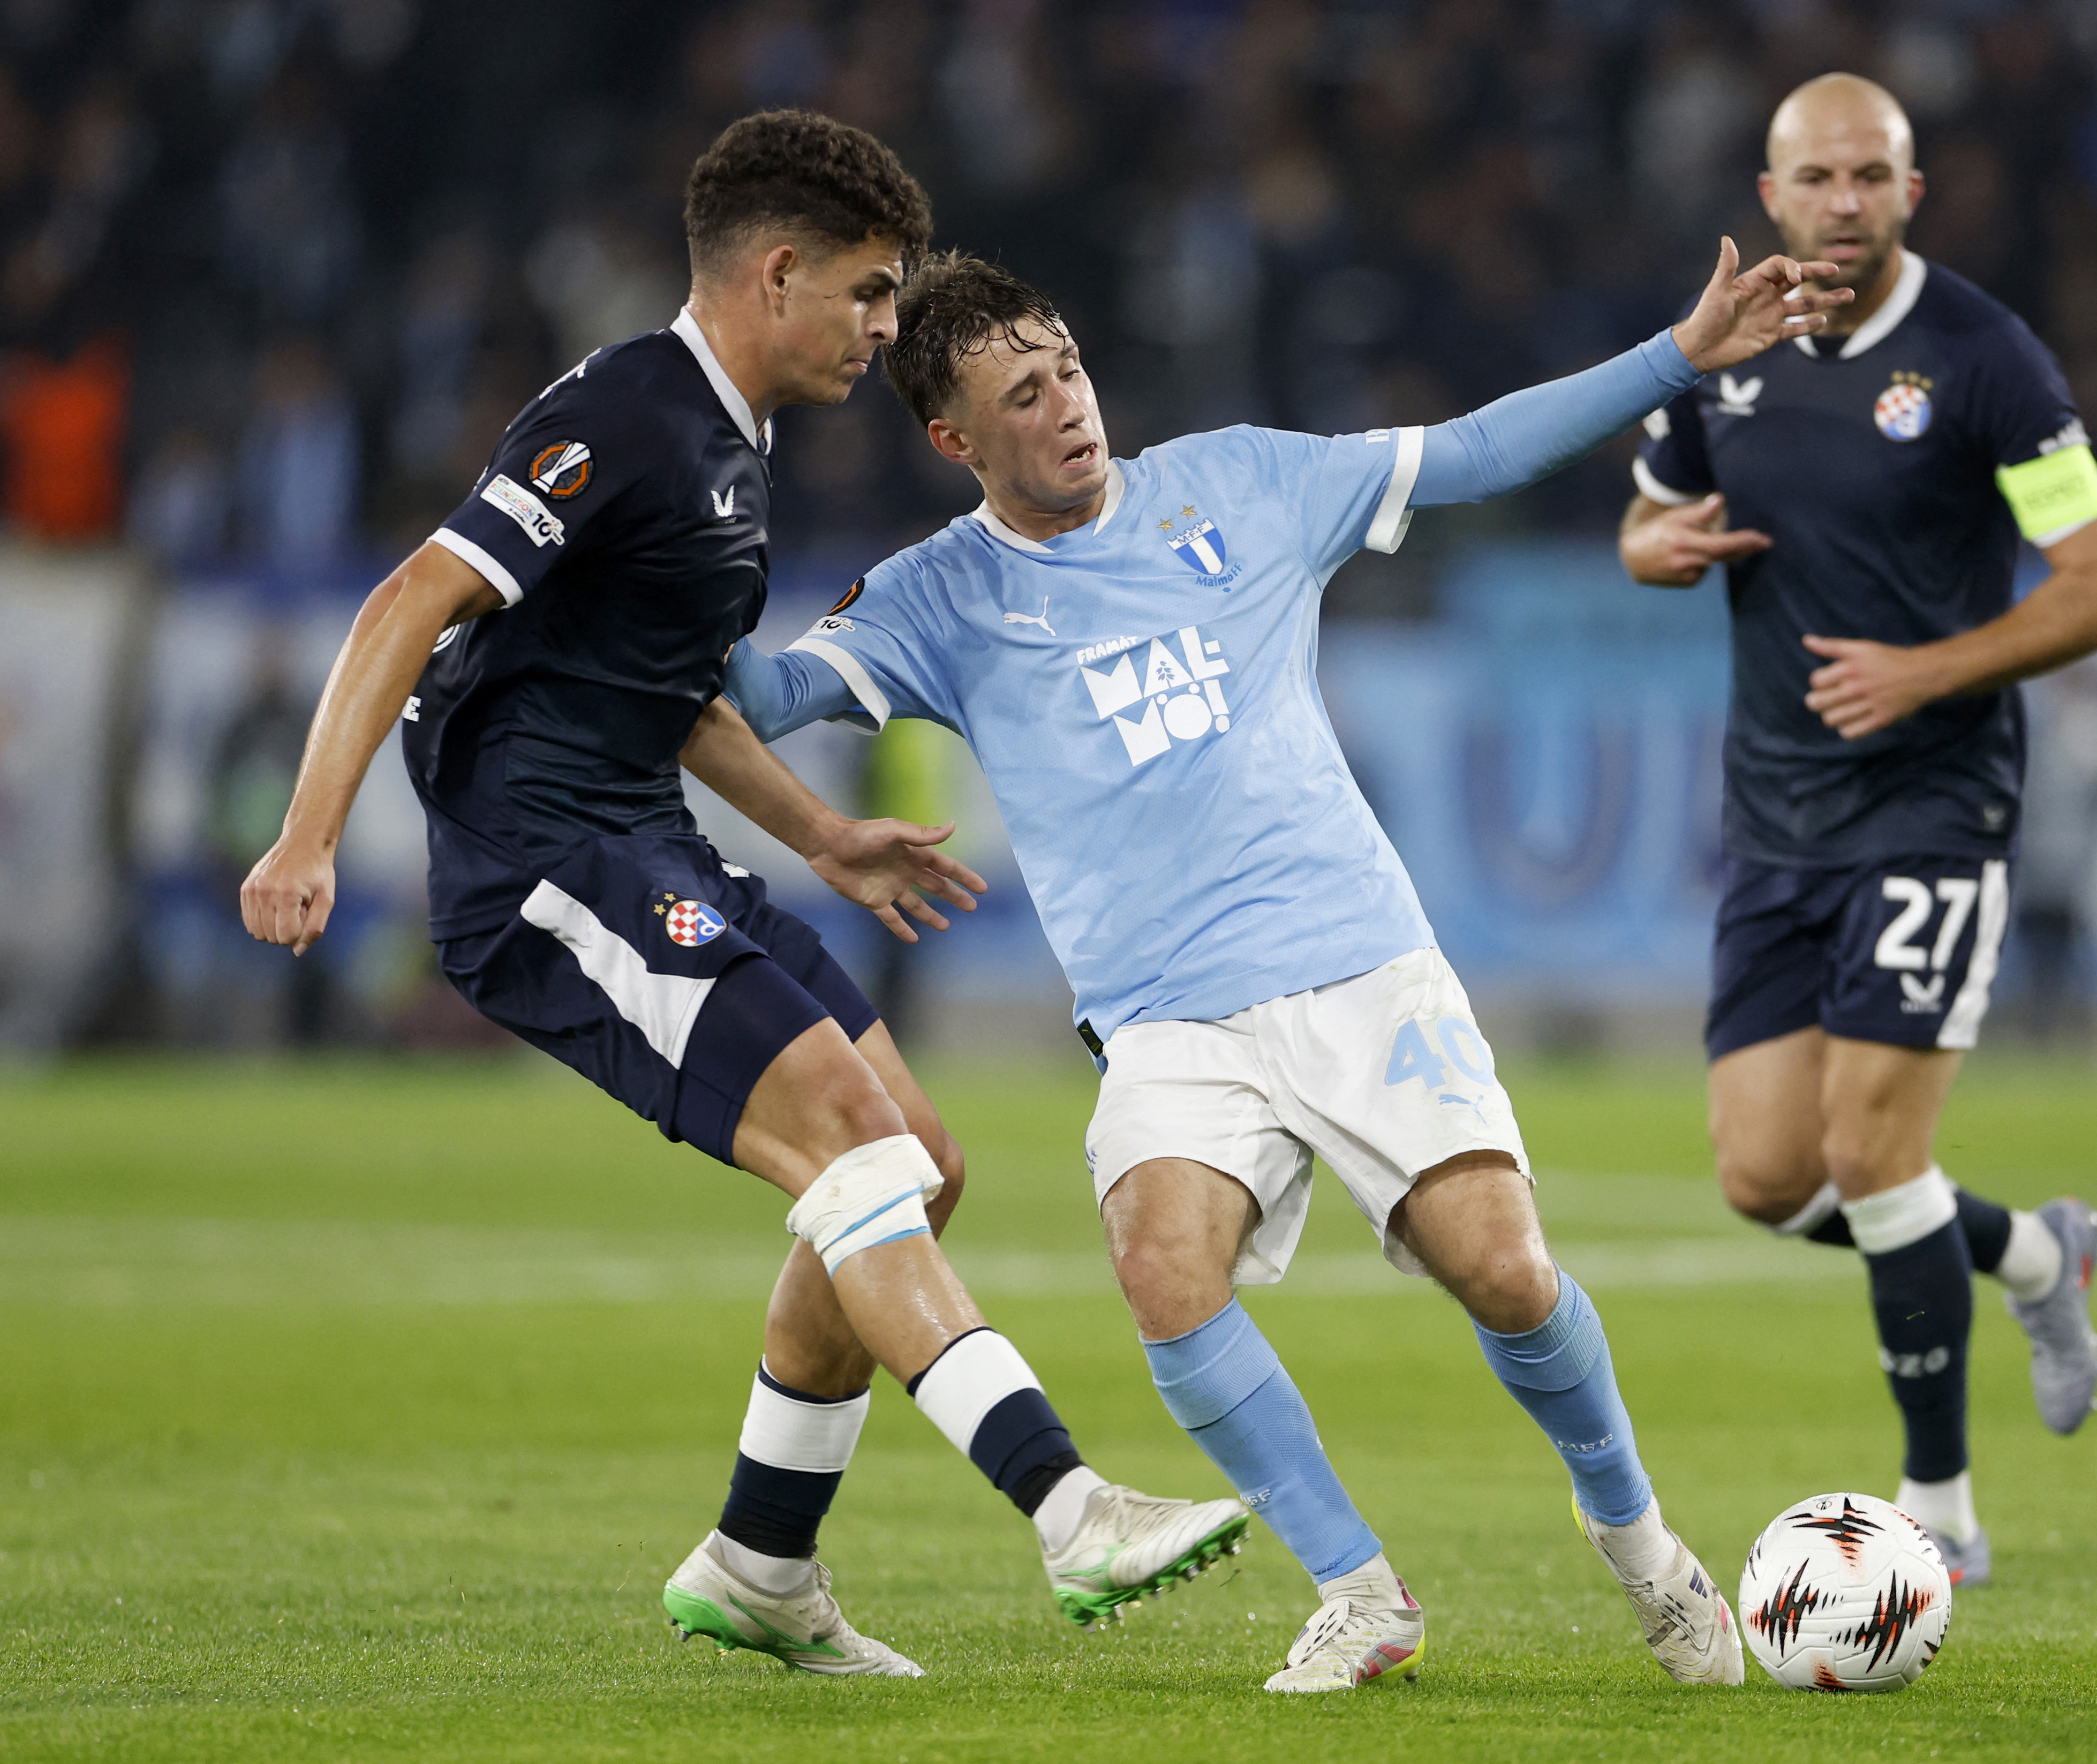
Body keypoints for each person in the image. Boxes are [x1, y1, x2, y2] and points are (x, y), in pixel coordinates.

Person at [719, 242, 1851, 1693]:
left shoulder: (1240, 481)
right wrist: (658, 555)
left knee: (1504, 1274)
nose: (1068, 404)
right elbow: (757, 691)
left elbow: (1476, 450)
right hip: (1164, 1023)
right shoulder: (937, 598)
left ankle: (1638, 1540)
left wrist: (1680, 354)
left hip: (1358, 965)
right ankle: (1359, 1589)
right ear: (953, 438)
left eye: (1066, 365)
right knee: (1161, 1269)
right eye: (1022, 393)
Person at [236, 110, 1247, 1678]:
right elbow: (412, 596)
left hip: (644, 837)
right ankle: (1066, 1504)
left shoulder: (731, 439)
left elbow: (674, 684)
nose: (886, 329)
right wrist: (310, 835)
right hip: (544, 866)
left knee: (916, 1154)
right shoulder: (628, 412)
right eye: (867, 294)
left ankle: (764, 1560)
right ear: (775, 275)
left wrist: (824, 838)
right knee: (852, 1150)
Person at [1618, 73, 2097, 1587]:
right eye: (1816, 180)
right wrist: (1661, 548)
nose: (1844, 204)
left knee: (1874, 1147)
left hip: (1934, 805)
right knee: (1768, 1178)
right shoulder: (1725, 351)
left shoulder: (1989, 363)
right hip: (1775, 813)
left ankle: (1945, 1518)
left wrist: (1927, 669)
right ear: (1769, 196)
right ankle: (2036, 1256)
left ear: (1915, 192)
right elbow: (1650, 519)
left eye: (1872, 177)